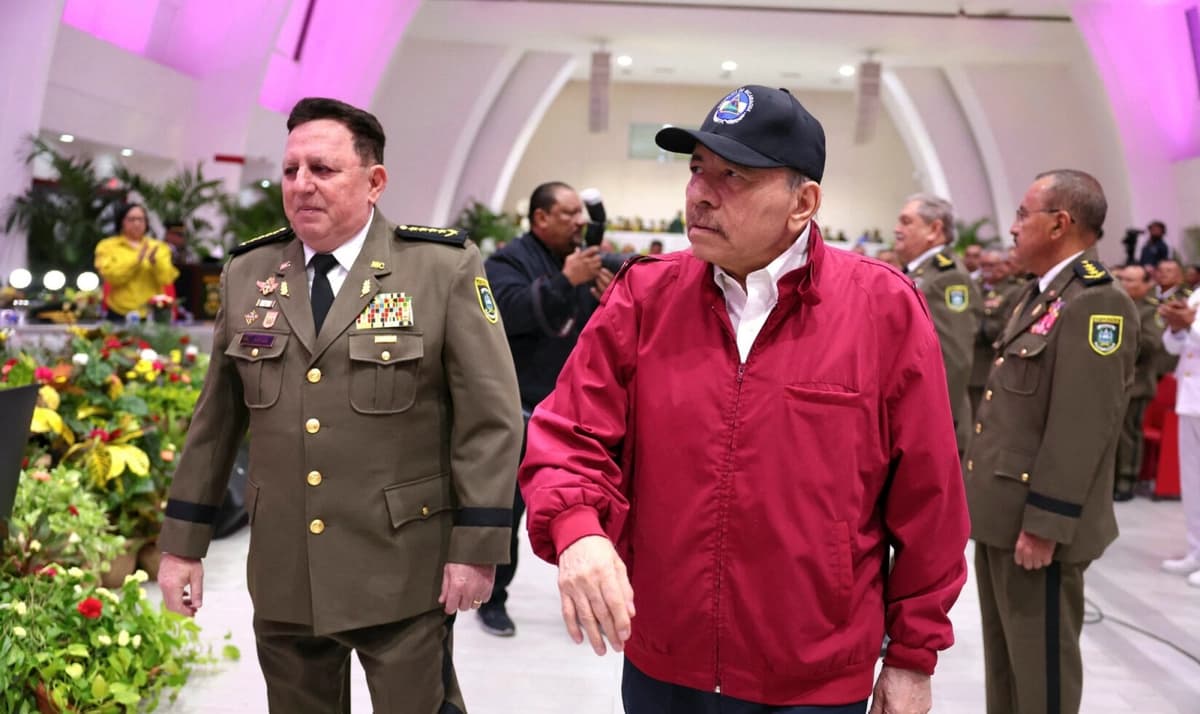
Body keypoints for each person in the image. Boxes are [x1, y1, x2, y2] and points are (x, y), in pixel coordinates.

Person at [520, 85, 970, 714]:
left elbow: (931, 500)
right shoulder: (646, 297)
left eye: (733, 174)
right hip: (664, 661)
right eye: (697, 169)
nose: (701, 192)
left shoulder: (883, 308)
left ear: (803, 201)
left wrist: (912, 657)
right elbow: (569, 433)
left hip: (812, 676)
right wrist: (578, 529)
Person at [156, 97, 523, 713]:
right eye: (291, 170)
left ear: (374, 181)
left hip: (404, 565)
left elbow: (491, 419)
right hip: (285, 567)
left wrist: (476, 547)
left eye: (323, 170)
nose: (301, 185)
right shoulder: (250, 273)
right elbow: (215, 423)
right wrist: (181, 544)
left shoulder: (438, 268)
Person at [964, 169, 1138, 714]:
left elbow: (1081, 428)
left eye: (1022, 214)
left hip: (1036, 525)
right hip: (1002, 514)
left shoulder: (1095, 304)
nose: (1012, 229)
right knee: (1006, 666)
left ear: (1059, 223)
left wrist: (1045, 524)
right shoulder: (1039, 295)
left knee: (1041, 675)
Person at [480, 181, 612, 637]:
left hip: (569, 413)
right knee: (508, 511)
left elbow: (589, 329)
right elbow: (507, 311)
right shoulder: (507, 261)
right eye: (569, 213)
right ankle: (492, 598)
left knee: (578, 509)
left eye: (582, 214)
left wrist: (604, 297)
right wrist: (564, 282)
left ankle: (588, 594)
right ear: (540, 219)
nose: (580, 222)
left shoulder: (578, 262)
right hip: (516, 411)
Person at [893, 193, 981, 455]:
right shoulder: (919, 272)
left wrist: (936, 421)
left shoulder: (948, 276)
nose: (897, 229)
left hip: (932, 423)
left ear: (934, 229)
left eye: (906, 222)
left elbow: (954, 358)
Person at [1159, 287, 1200, 585]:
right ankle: (1196, 551)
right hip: (1191, 398)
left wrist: (1191, 325)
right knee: (1193, 483)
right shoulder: (1197, 294)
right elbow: (1176, 348)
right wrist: (1175, 328)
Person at [1113, 264, 1164, 501]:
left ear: (1146, 285)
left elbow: (1152, 344)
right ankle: (1112, 479)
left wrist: (1124, 336)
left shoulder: (1151, 310)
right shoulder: (1117, 304)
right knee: (1112, 433)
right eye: (1122, 279)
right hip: (1114, 382)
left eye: (1131, 280)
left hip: (1138, 383)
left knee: (1128, 434)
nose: (1124, 284)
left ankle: (1127, 479)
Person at [93, 203, 179, 321]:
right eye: (131, 219)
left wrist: (155, 263)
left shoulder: (159, 247)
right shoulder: (107, 246)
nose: (137, 223)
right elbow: (112, 277)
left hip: (151, 312)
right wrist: (136, 262)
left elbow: (167, 279)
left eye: (141, 219)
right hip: (119, 311)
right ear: (122, 221)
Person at [968, 249, 1024, 418]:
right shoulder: (973, 287)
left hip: (991, 361)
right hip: (971, 364)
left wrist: (972, 328)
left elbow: (1004, 326)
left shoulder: (1015, 290)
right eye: (983, 265)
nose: (986, 269)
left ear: (1005, 266)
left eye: (991, 265)